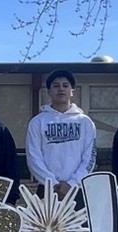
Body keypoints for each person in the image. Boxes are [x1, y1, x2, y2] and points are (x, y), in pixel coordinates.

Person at [25, 68, 96, 199]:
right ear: (49, 92)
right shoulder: (37, 122)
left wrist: (73, 183)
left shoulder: (85, 122)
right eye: (56, 86)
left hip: (77, 190)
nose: (61, 89)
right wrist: (52, 183)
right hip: (47, 189)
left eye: (65, 85)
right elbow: (33, 157)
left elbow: (89, 158)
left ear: (72, 91)